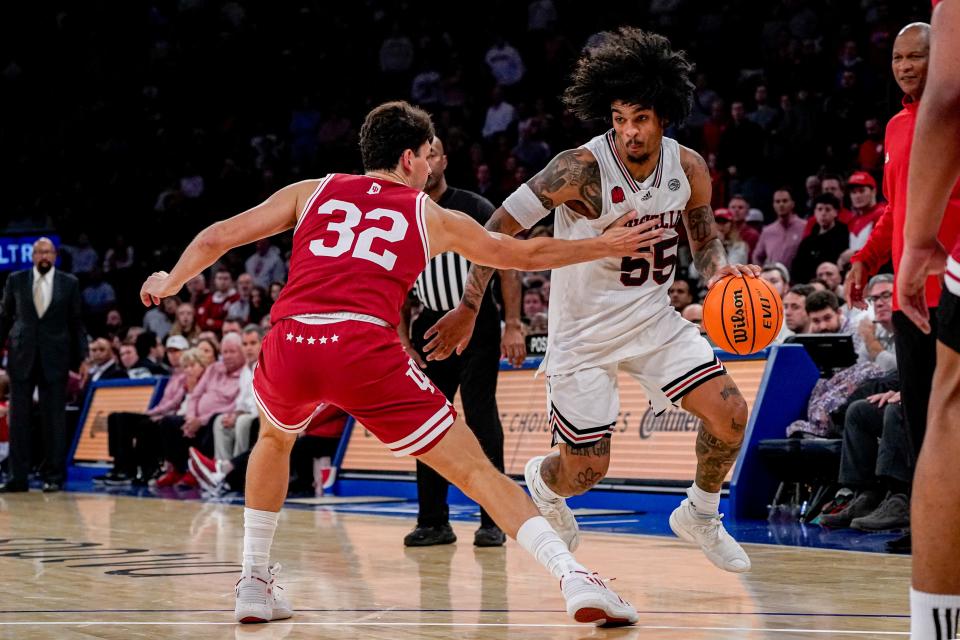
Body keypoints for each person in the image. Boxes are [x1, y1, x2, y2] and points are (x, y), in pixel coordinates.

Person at [140, 100, 663, 626]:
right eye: (428, 156)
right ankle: (573, 577)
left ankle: (253, 581)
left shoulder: (311, 191)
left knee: (274, 440)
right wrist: (603, 244)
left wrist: (171, 282)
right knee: (477, 471)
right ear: (411, 158)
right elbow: (518, 255)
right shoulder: (428, 213)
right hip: (362, 345)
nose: (432, 165)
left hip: (291, 338)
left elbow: (217, 236)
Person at [422, 28, 758, 574]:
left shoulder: (689, 167)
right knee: (585, 472)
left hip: (654, 320)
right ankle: (542, 481)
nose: (628, 131)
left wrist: (721, 275)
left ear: (664, 116)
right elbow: (497, 229)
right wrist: (467, 305)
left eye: (640, 119)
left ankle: (700, 512)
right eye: (620, 118)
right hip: (582, 336)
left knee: (731, 416)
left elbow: (704, 238)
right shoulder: (577, 169)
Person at [399, 136, 525, 549]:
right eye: (421, 154)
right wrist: (403, 341)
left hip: (477, 322)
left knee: (481, 415)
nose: (427, 161)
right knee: (426, 423)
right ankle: (433, 521)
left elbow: (508, 264)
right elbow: (394, 284)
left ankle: (493, 520)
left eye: (433, 153)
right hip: (431, 325)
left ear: (444, 160)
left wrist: (512, 325)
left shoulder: (473, 206)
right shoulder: (403, 213)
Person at [893, 2, 960, 635]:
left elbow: (950, 98)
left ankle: (938, 627)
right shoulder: (890, 126)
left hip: (945, 271)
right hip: (913, 291)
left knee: (950, 408)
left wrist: (918, 245)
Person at [0, 238, 86, 493]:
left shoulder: (69, 283)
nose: (43, 255)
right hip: (21, 356)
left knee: (54, 420)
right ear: (33, 255)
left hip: (55, 357)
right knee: (18, 420)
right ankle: (18, 478)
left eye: (48, 251)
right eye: (39, 252)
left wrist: (83, 357)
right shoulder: (16, 280)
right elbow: (5, 317)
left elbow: (76, 322)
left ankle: (54, 476)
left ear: (55, 255)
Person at [791, 194, 850, 284]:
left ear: (836, 212)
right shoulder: (807, 241)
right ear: (815, 212)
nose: (823, 213)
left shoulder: (845, 236)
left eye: (827, 209)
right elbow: (797, 268)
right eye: (819, 209)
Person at [752, 188, 806, 268]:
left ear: (792, 204)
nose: (781, 204)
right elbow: (757, 256)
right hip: (773, 278)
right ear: (773, 205)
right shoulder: (767, 231)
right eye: (777, 201)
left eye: (785, 201)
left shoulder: (804, 226)